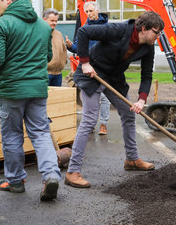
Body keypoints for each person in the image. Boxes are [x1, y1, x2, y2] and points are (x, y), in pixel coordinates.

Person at [65, 11, 164, 188]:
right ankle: (73, 171)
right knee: (89, 119)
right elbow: (84, 32)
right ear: (144, 29)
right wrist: (85, 62)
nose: (158, 36)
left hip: (113, 78)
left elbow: (147, 75)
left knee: (128, 113)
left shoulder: (147, 48)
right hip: (91, 74)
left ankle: (132, 160)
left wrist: (141, 100)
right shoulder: (119, 30)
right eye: (156, 32)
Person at [0, 0, 61, 201]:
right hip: (37, 89)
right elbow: (47, 57)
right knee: (40, 133)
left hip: (11, 90)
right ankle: (51, 176)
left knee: (12, 135)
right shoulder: (43, 26)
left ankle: (16, 181)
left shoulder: (2, 24)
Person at [66, 1, 110, 135]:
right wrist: (69, 45)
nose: (89, 14)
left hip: (103, 66)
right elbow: (78, 47)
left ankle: (103, 124)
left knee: (104, 97)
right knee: (88, 95)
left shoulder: (106, 27)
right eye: (87, 12)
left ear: (97, 11)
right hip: (87, 66)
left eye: (91, 11)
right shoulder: (84, 28)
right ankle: (90, 123)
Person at [43, 8, 67, 87]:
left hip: (58, 74)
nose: (54, 23)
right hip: (45, 74)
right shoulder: (40, 34)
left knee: (57, 99)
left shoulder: (59, 34)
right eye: (52, 21)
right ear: (45, 19)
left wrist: (63, 63)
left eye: (56, 21)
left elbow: (64, 50)